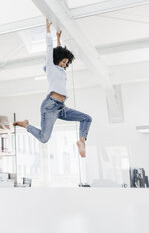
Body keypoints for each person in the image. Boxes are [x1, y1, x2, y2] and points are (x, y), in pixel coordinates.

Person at [13, 18, 92, 157]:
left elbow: (59, 51)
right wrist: (48, 30)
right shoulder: (50, 67)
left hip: (61, 108)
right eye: (63, 61)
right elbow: (51, 49)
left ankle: (81, 141)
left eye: (66, 63)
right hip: (50, 106)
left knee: (86, 118)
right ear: (57, 59)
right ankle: (26, 125)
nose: (64, 64)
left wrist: (58, 38)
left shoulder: (61, 70)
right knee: (44, 139)